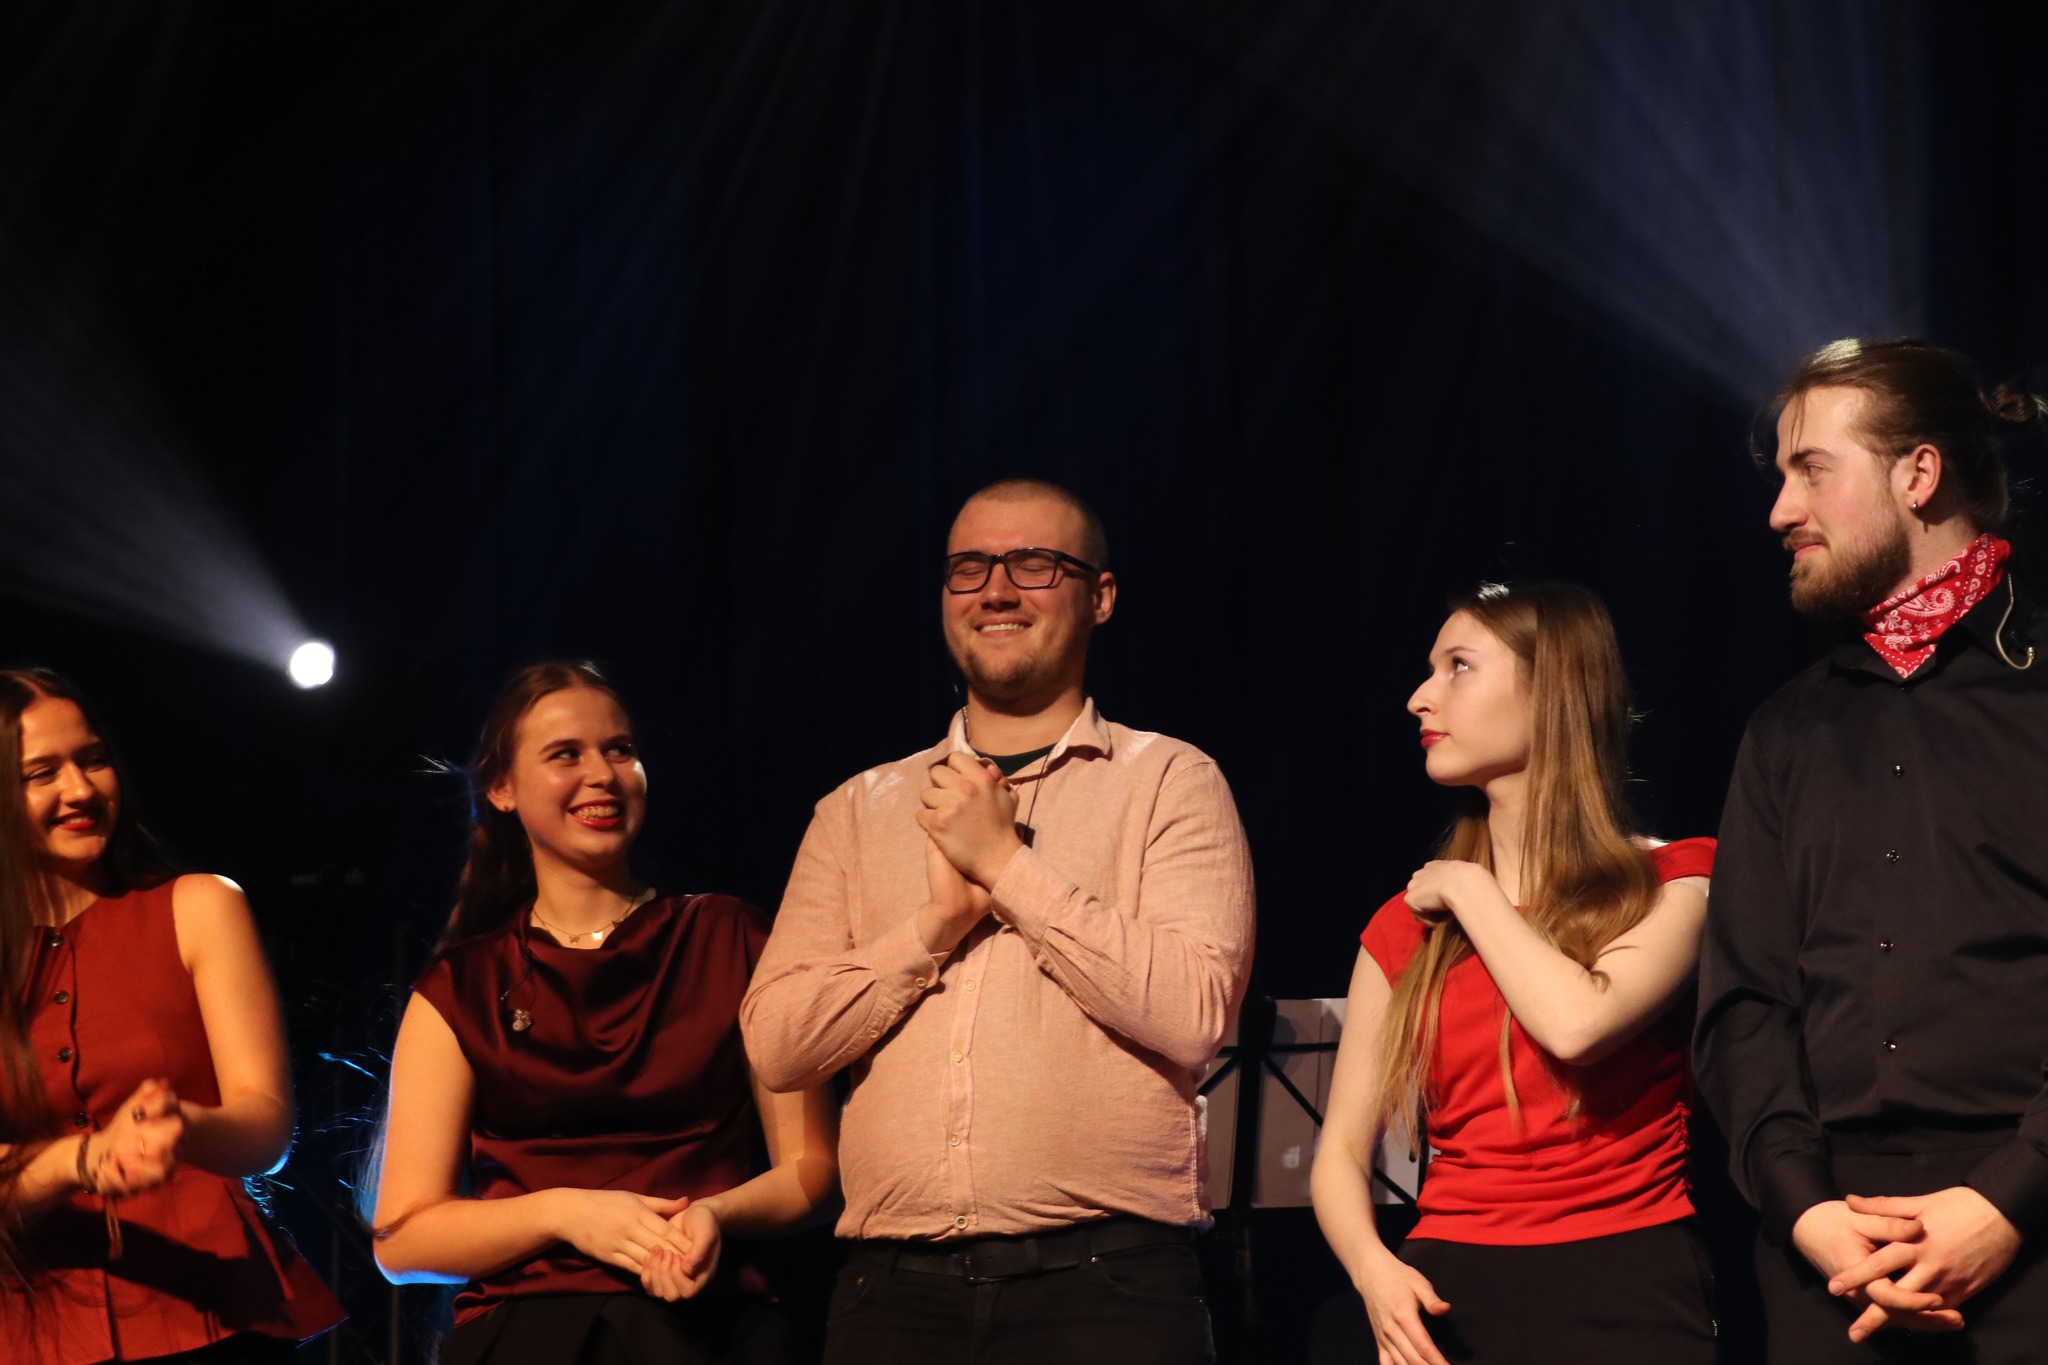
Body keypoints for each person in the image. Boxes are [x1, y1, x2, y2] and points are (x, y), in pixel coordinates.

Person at [740, 479, 1255, 1365]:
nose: (997, 590)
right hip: (891, 1293)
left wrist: (1008, 868)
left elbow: (1192, 1012)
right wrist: (934, 928)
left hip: (1108, 1287)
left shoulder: (1170, 780)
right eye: (969, 567)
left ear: (1100, 596)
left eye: (1034, 564)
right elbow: (778, 1044)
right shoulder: (859, 808)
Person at [1694, 338, 2048, 1362]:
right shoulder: (1785, 729)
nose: (1779, 511)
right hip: (1832, 1265)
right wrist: (1808, 1213)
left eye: (1811, 469)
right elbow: (1743, 1004)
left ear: (1917, 474)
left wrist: (2008, 1197)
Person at [371, 662, 839, 1365]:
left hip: (707, 1328)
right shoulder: (461, 986)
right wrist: (566, 1212)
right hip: (525, 1339)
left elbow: (814, 1169)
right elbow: (403, 1240)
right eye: (566, 754)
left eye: (620, 749)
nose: (602, 775)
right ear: (501, 788)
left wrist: (714, 1213)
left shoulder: (730, 937)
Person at [1310, 583, 1717, 1365]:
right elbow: (1341, 1154)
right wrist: (1373, 1271)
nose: (1420, 696)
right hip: (1448, 1292)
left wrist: (1471, 888)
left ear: (1552, 690)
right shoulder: (1404, 926)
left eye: (1458, 666)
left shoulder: (1675, 880)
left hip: (1627, 1284)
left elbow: (1578, 1023)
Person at [0, 668, 343, 1364]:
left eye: (93, 759)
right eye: (42, 773)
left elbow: (266, 1124)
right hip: (28, 1328)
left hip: (211, 1312)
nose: (80, 789)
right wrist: (80, 1160)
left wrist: (184, 1126)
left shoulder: (200, 906)